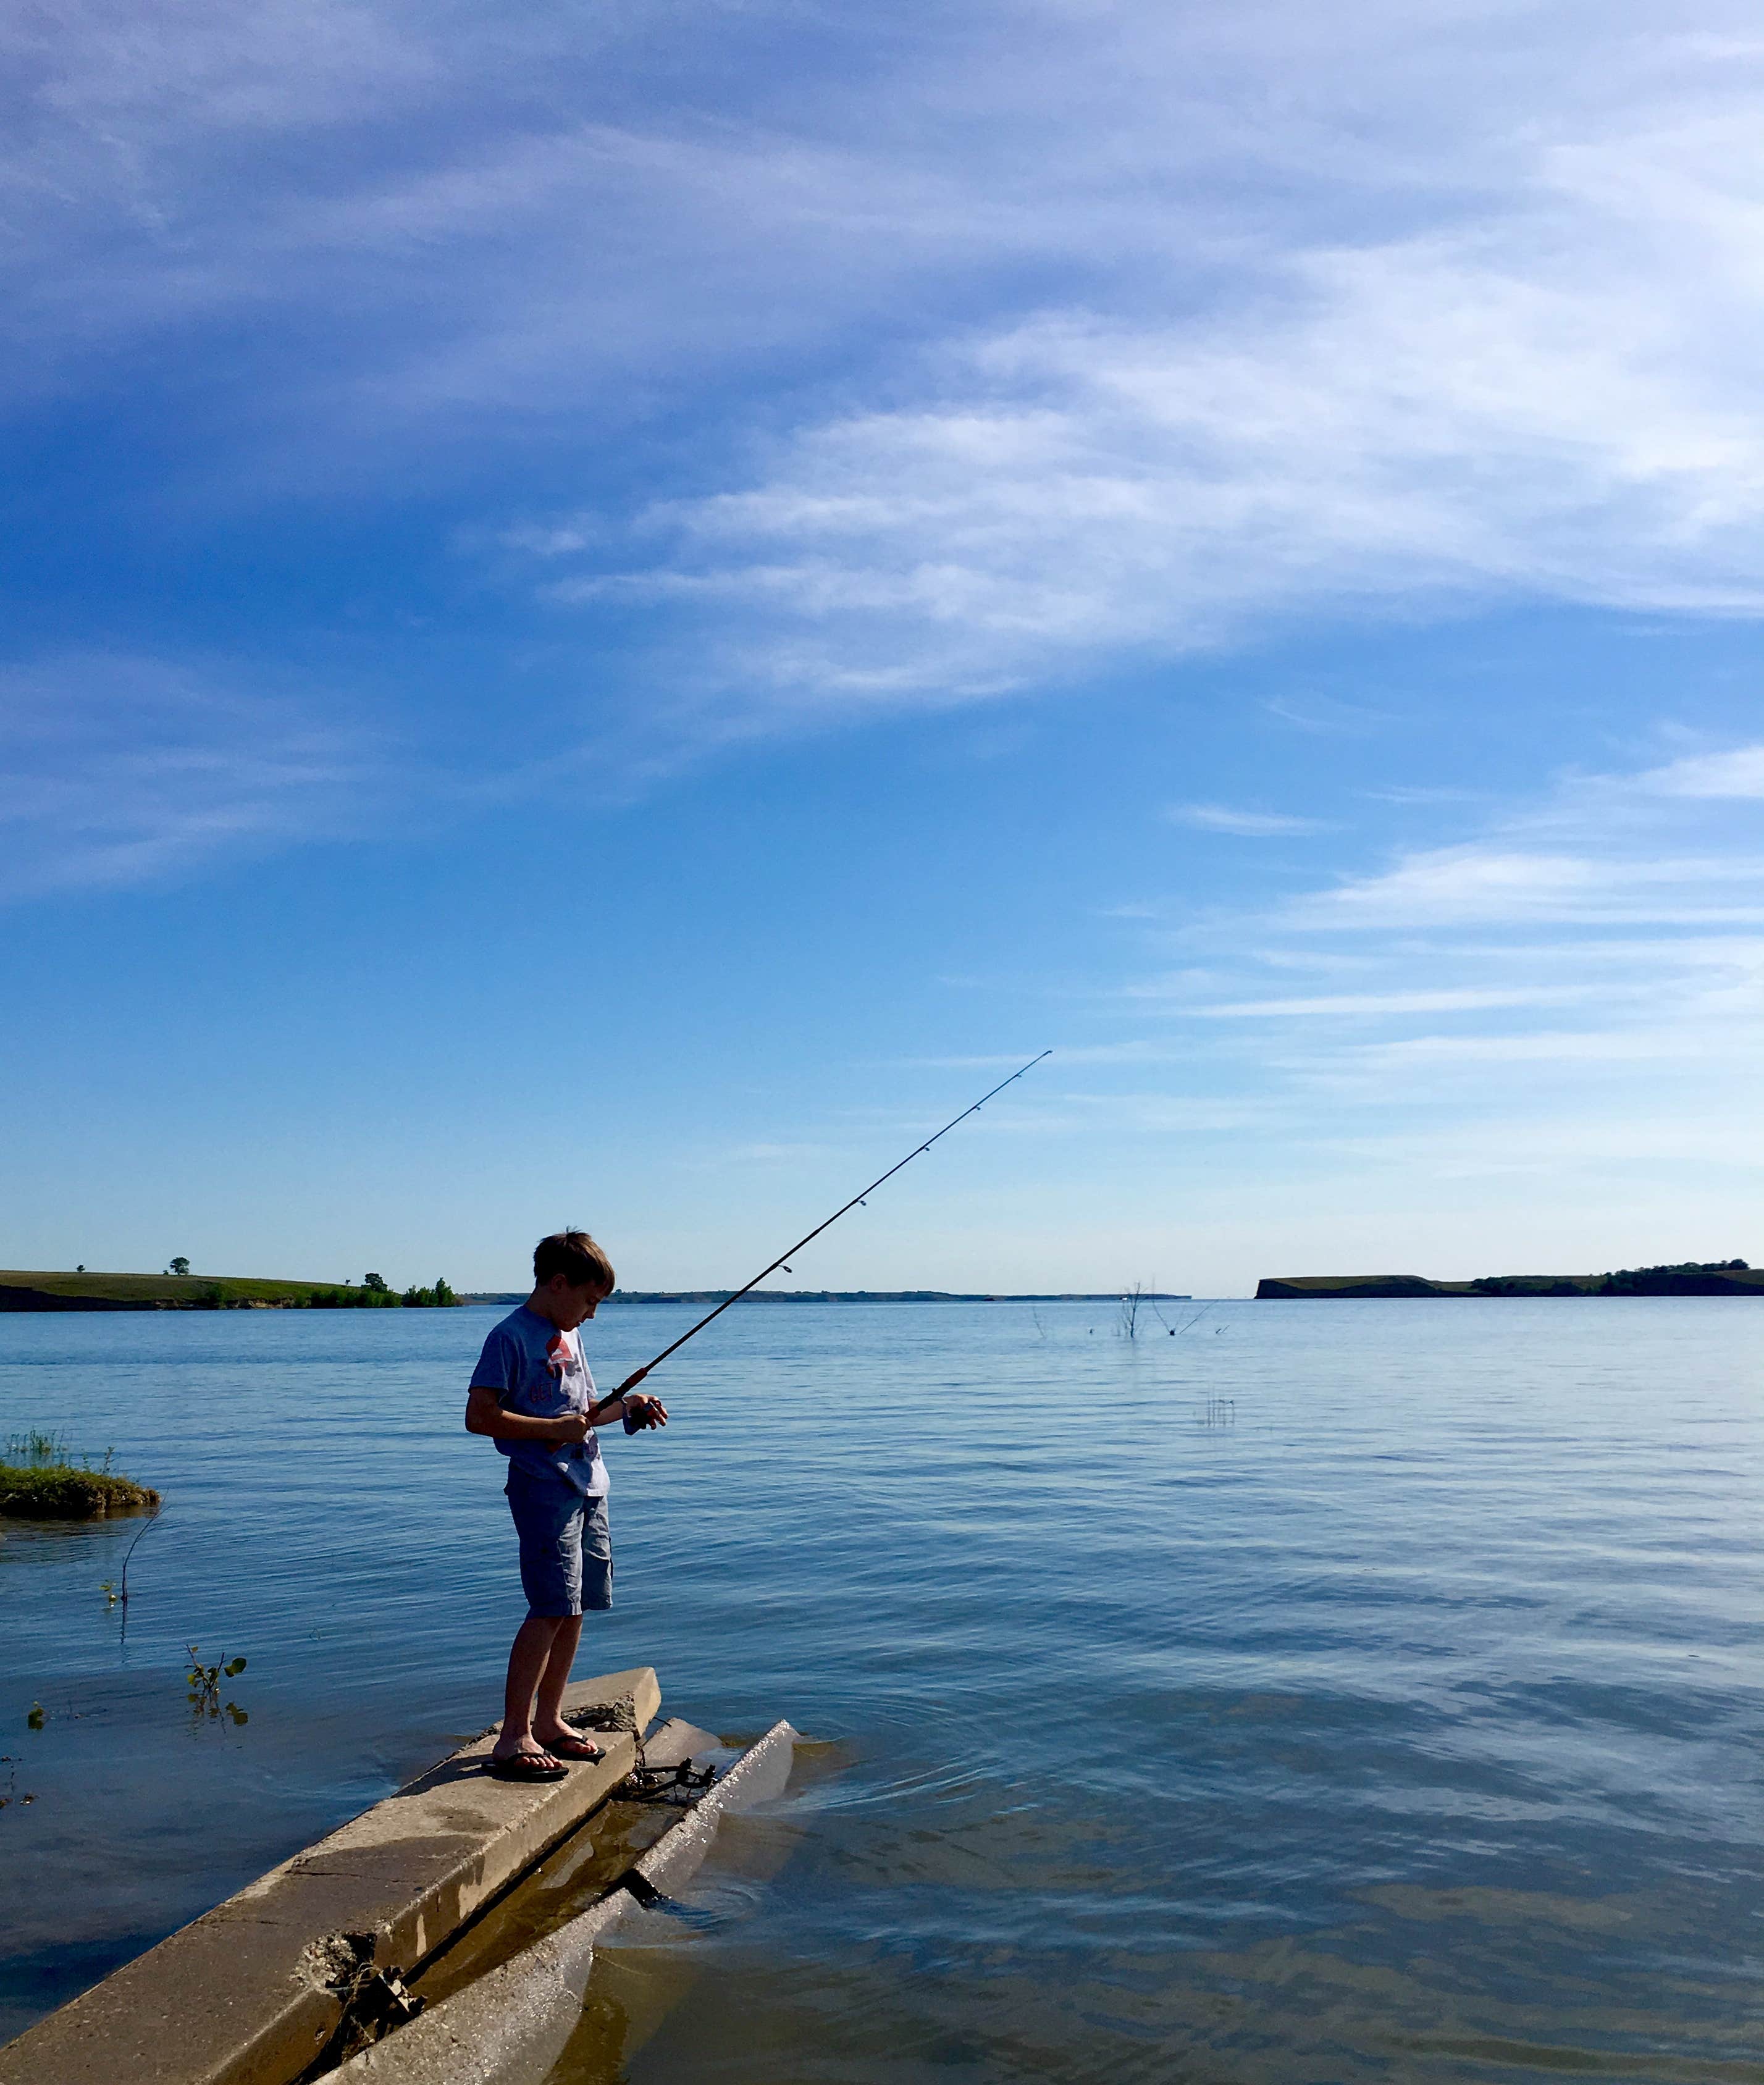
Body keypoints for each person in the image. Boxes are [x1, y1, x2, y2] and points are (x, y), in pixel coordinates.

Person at [465, 1229, 667, 1781]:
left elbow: (582, 1413)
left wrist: (628, 1407)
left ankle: (550, 1720)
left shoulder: (570, 1334)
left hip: (588, 1484)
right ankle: (514, 1736)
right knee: (549, 1606)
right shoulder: (510, 1338)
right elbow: (479, 1417)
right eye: (589, 1301)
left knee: (576, 1607)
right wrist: (548, 1429)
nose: (592, 1315)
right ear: (558, 1284)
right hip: (541, 1487)